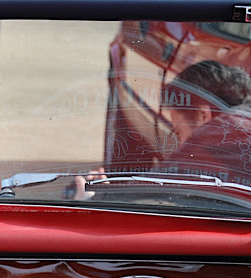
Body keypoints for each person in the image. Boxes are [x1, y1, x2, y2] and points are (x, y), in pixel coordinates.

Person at [75, 60, 251, 199]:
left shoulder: (217, 133)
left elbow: (153, 188)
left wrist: (95, 196)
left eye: (179, 132)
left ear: (203, 116)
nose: (180, 144)